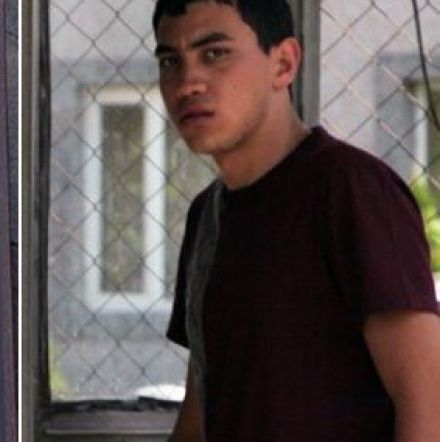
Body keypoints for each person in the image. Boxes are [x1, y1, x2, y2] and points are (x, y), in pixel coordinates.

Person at [153, 1, 440, 441]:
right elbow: (203, 409)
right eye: (171, 61)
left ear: (284, 63)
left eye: (215, 54)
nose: (188, 83)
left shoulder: (349, 190)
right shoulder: (207, 215)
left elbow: (428, 406)